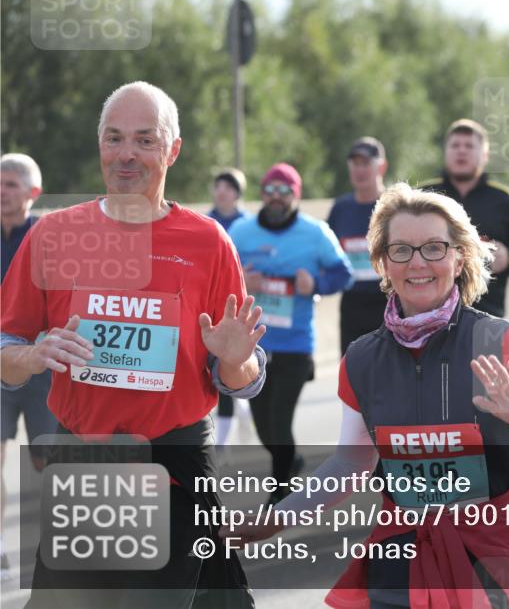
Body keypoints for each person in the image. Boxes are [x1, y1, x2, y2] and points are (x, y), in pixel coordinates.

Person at [227, 182, 509, 608]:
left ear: (460, 256)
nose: (418, 263)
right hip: (400, 558)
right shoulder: (362, 359)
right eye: (401, 250)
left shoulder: (500, 341)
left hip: (492, 557)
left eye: (434, 248)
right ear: (383, 263)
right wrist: (278, 518)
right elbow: (351, 462)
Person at [0, 81, 267, 607]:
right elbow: (6, 348)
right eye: (114, 138)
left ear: (173, 149)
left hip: (175, 460)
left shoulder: (208, 241)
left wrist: (237, 363)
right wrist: (32, 356)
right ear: (99, 144)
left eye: (145, 140)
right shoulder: (53, 235)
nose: (126, 154)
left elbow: (240, 373)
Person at [229, 162, 353, 503]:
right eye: (269, 190)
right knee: (265, 425)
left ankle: (280, 493)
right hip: (253, 345)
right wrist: (242, 280)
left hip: (296, 345)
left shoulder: (316, 233)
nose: (275, 197)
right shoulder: (241, 231)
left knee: (279, 421)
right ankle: (290, 460)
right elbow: (217, 275)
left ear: (295, 196)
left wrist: (316, 283)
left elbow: (344, 274)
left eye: (284, 191)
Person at [419, 119, 509, 317]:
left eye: (469, 146)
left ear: (485, 155)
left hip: (486, 318)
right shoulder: (422, 196)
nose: (462, 151)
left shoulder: (503, 200)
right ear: (446, 152)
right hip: (425, 315)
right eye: (455, 145)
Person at [0, 154, 57, 574]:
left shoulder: (51, 236)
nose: (2, 192)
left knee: (46, 461)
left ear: (33, 193)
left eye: (11, 185)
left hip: (42, 372)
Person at [206, 168, 254, 449]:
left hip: (241, 304)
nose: (222, 192)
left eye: (229, 187)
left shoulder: (249, 225)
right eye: (218, 186)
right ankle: (238, 416)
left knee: (231, 364)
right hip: (211, 305)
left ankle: (221, 445)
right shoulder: (206, 222)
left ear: (238, 193)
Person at [327, 137, 389, 355]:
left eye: (366, 163)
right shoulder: (341, 208)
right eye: (355, 164)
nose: (360, 170)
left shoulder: (395, 206)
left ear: (381, 166)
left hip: (390, 300)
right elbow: (327, 256)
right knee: (352, 371)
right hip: (352, 302)